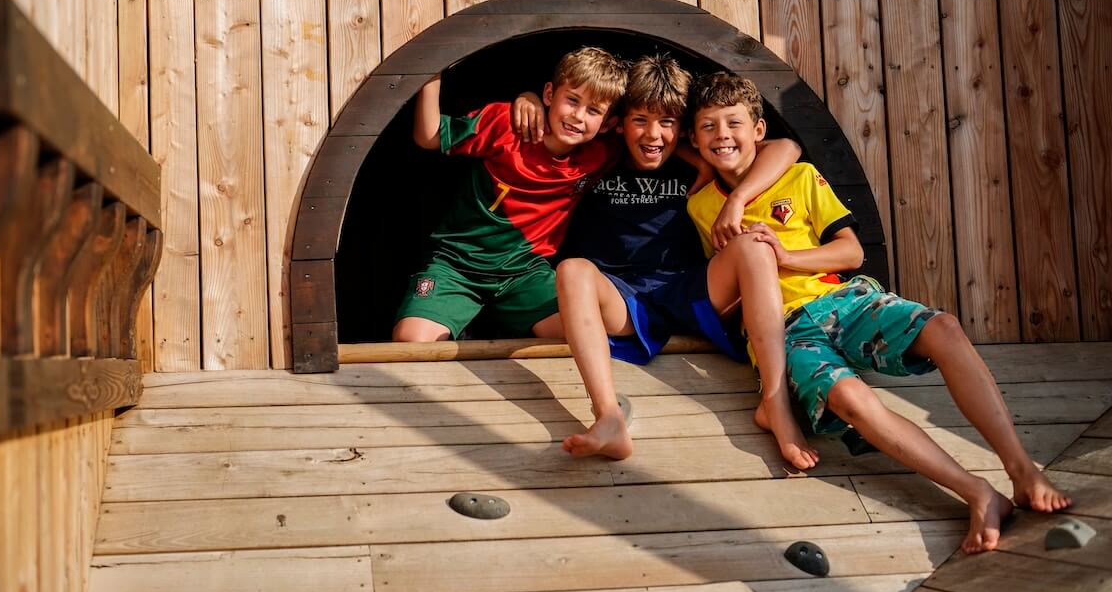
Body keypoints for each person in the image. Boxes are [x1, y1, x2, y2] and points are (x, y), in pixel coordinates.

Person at [685, 71, 1071, 554]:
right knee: (853, 401)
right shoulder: (700, 205)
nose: (722, 135)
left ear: (758, 131)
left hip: (843, 300)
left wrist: (788, 257)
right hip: (784, 331)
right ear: (694, 138)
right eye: (708, 127)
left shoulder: (799, 177)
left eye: (733, 123)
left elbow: (850, 254)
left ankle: (1021, 469)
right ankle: (978, 492)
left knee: (944, 327)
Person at [517, 56, 814, 468]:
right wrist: (528, 97)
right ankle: (608, 417)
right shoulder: (597, 155)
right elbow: (550, 125)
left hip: (687, 288)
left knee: (754, 246)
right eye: (640, 120)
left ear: (683, 128)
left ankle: (776, 404)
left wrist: (738, 198)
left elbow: (787, 146)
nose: (653, 134)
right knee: (571, 272)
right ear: (619, 122)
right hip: (620, 297)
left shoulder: (696, 161)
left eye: (668, 122)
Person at [391, 47, 627, 343]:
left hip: (524, 274)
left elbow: (652, 136)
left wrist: (698, 163)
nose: (579, 116)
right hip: (457, 266)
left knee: (581, 337)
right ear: (550, 94)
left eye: (593, 111)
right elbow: (428, 136)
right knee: (411, 342)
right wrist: (432, 71)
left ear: (607, 124)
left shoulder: (601, 153)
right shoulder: (508, 125)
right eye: (572, 100)